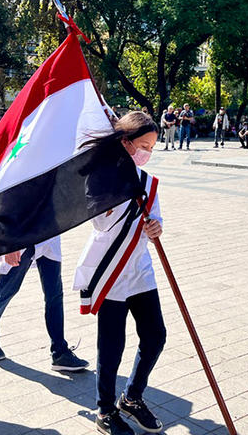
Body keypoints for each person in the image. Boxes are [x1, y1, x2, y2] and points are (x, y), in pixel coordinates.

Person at [73, 111, 167, 435]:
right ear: (125, 143)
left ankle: (133, 397)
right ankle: (105, 409)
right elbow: (101, 223)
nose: (147, 153)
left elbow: (155, 217)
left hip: (139, 269)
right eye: (143, 145)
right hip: (111, 268)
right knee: (112, 344)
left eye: (152, 148)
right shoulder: (101, 177)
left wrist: (156, 226)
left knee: (156, 335)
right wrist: (123, 193)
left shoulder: (148, 182)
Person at [0, 212, 89, 371]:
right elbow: (4, 201)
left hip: (49, 233)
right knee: (7, 289)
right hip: (21, 235)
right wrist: (8, 243)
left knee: (55, 294)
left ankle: (59, 352)